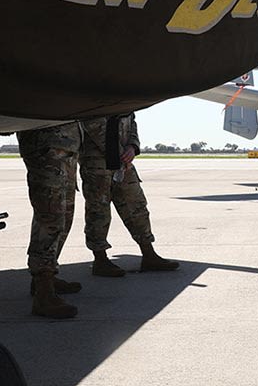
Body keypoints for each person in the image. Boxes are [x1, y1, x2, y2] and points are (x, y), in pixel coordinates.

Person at [79, 114, 179, 276]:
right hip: (97, 164)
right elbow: (93, 125)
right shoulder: (94, 100)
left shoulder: (124, 99)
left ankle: (148, 254)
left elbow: (132, 124)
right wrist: (119, 153)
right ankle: (100, 259)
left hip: (123, 163)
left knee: (137, 206)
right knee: (98, 212)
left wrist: (132, 147)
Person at [18, 123, 82, 319]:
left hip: (66, 150)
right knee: (50, 218)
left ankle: (46, 279)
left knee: (64, 218)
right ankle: (43, 294)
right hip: (47, 148)